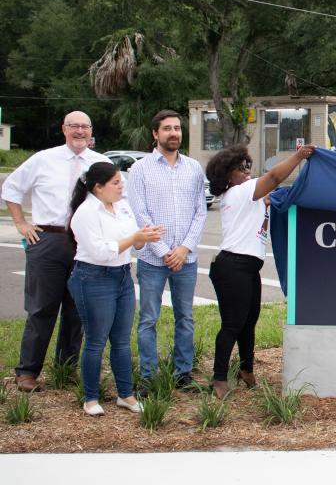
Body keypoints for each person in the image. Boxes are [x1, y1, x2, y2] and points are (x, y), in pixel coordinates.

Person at [1, 111, 110, 391]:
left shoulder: (101, 163)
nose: (79, 131)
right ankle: (27, 372)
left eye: (85, 126)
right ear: (64, 129)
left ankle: (66, 368)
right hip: (47, 241)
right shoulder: (43, 159)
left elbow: (117, 201)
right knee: (41, 309)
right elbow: (11, 189)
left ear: (91, 131)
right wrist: (21, 222)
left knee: (77, 310)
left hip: (84, 243)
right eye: (74, 126)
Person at [204, 143, 315, 398]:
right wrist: (298, 156)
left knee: (249, 321)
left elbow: (272, 196)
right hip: (233, 265)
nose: (246, 171)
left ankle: (247, 370)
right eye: (240, 167)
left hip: (247, 267)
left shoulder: (247, 197)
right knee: (232, 324)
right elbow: (275, 177)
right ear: (227, 174)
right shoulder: (239, 192)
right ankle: (219, 378)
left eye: (248, 166)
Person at [67, 162, 164, 415]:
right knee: (96, 341)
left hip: (121, 275)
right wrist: (135, 238)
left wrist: (145, 236)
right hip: (93, 276)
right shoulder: (86, 212)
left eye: (122, 181)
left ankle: (126, 395)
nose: (122, 187)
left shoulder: (122, 207)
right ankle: (90, 398)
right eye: (116, 183)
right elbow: (102, 252)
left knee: (121, 341)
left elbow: (135, 244)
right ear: (98, 188)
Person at [128, 110, 207, 393]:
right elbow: (140, 215)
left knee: (185, 317)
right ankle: (148, 377)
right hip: (152, 260)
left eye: (177, 128)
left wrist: (184, 249)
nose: (174, 133)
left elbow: (201, 211)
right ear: (155, 133)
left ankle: (182, 374)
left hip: (186, 259)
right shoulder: (139, 170)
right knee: (148, 319)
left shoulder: (194, 168)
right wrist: (165, 252)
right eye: (167, 129)